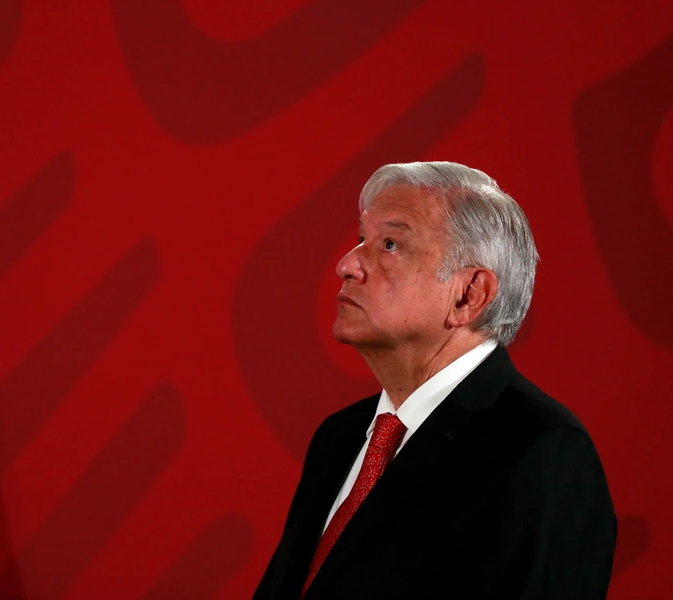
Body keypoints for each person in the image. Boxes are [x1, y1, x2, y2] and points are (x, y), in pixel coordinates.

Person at [252, 162, 616, 600]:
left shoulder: (542, 451)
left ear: (469, 295)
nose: (347, 265)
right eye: (360, 241)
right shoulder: (339, 437)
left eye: (389, 244)